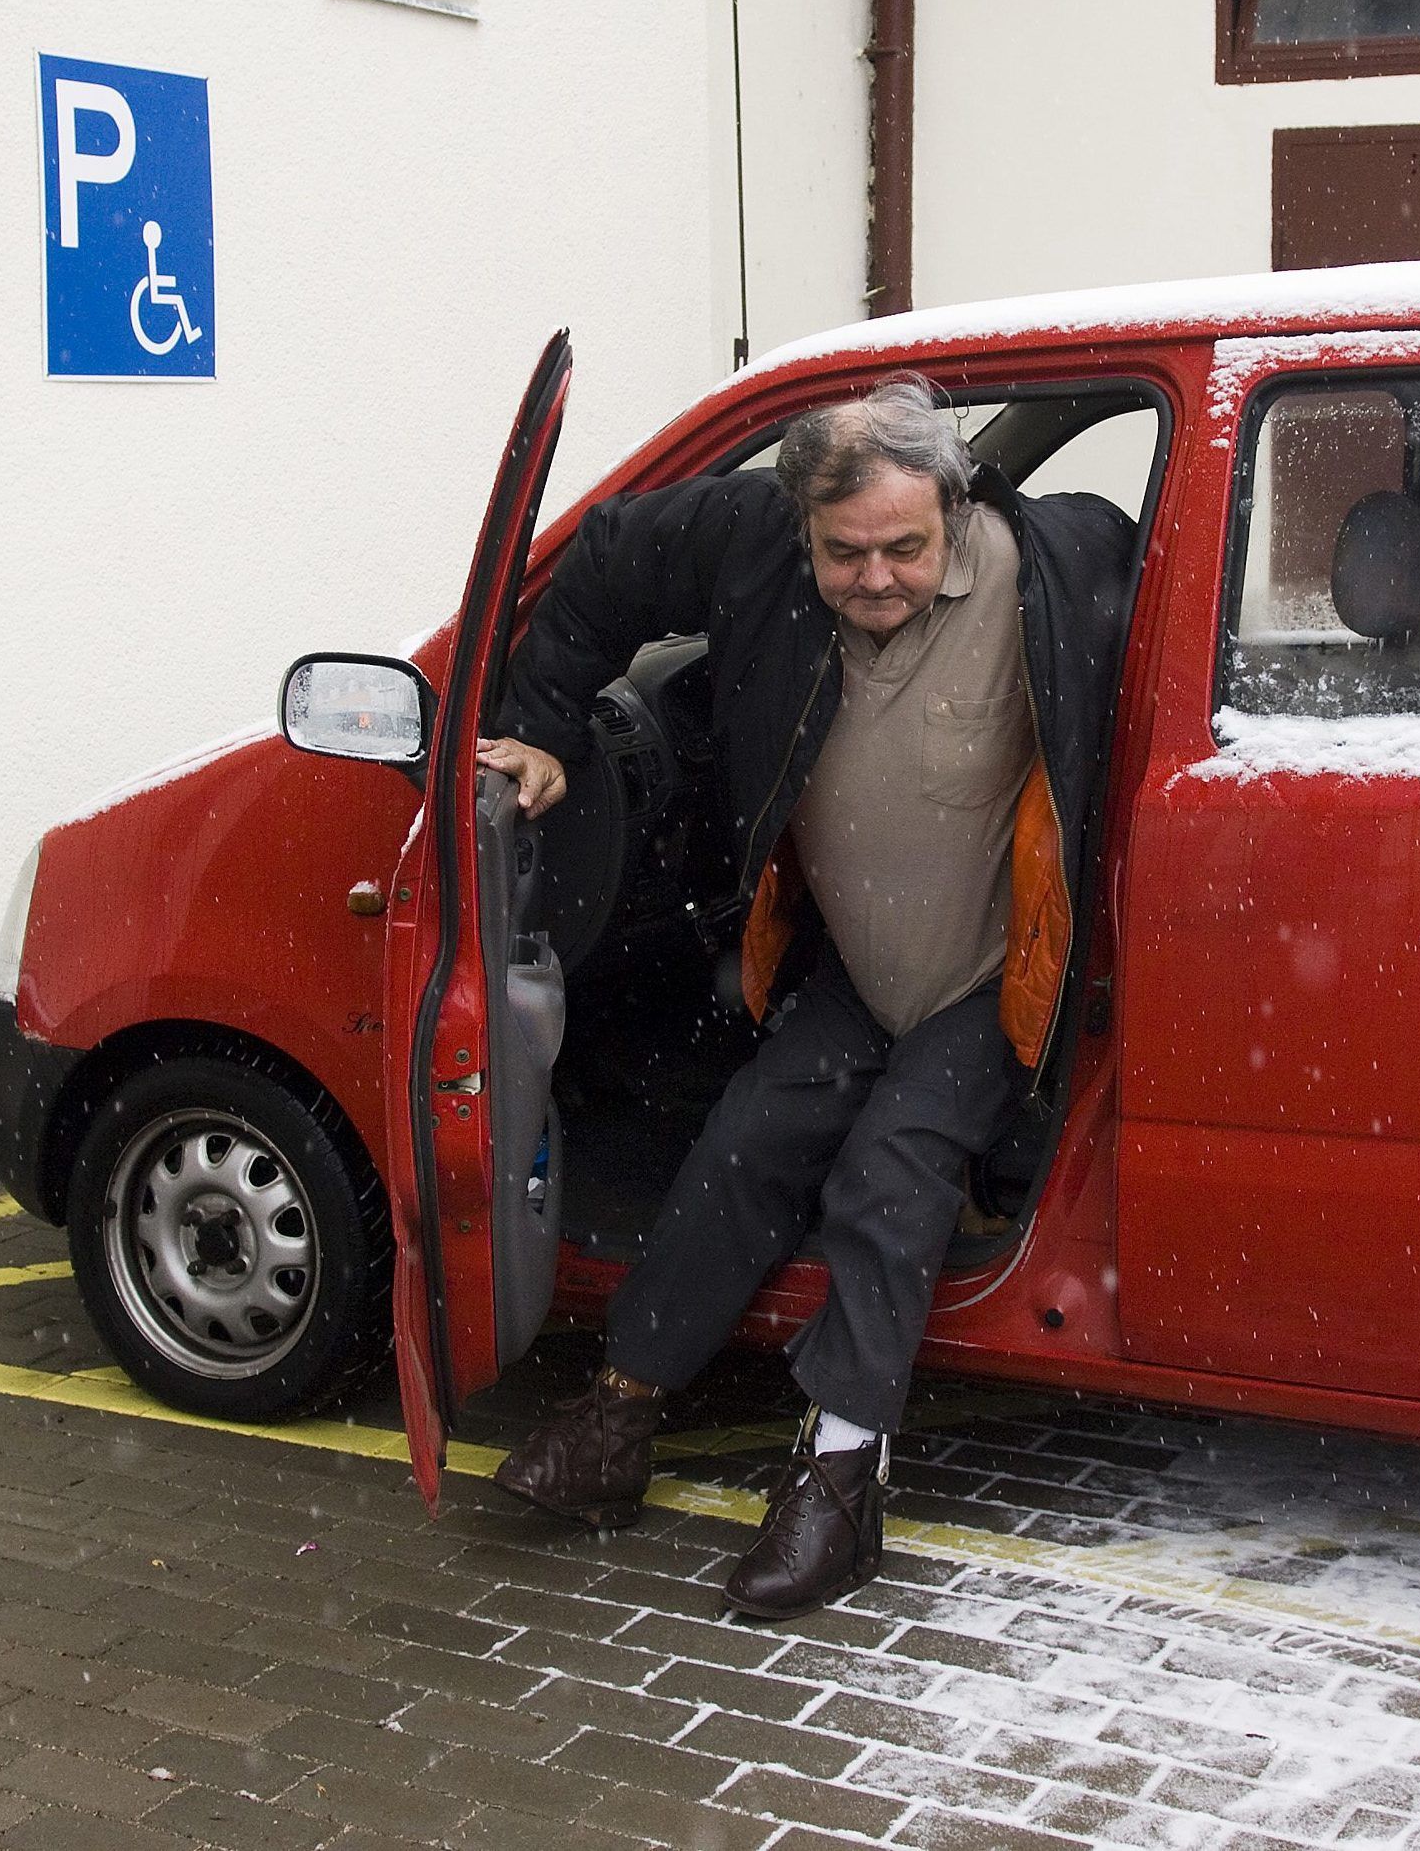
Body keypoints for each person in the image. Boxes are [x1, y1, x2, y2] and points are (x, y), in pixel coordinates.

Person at [474, 374, 1137, 1617]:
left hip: (996, 976)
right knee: (740, 1146)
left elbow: (1187, 585)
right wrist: (544, 727)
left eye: (904, 546)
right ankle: (618, 1420)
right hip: (848, 964)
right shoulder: (751, 549)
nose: (876, 575)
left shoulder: (1053, 561)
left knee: (892, 1173)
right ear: (803, 531)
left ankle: (839, 1484)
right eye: (845, 553)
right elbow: (607, 559)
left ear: (955, 504)